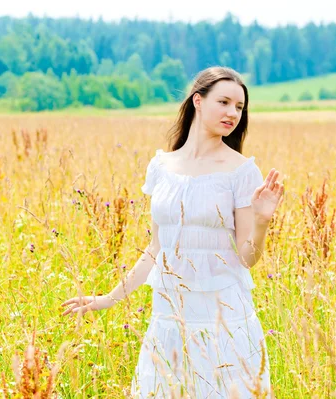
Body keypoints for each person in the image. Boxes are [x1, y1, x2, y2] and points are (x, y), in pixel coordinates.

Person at [60, 66, 284, 398]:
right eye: (224, 102)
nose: (232, 113)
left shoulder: (242, 171)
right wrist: (108, 298)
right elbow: (155, 249)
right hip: (170, 312)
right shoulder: (161, 166)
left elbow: (247, 258)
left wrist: (263, 221)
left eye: (239, 107)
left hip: (223, 314)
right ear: (198, 100)